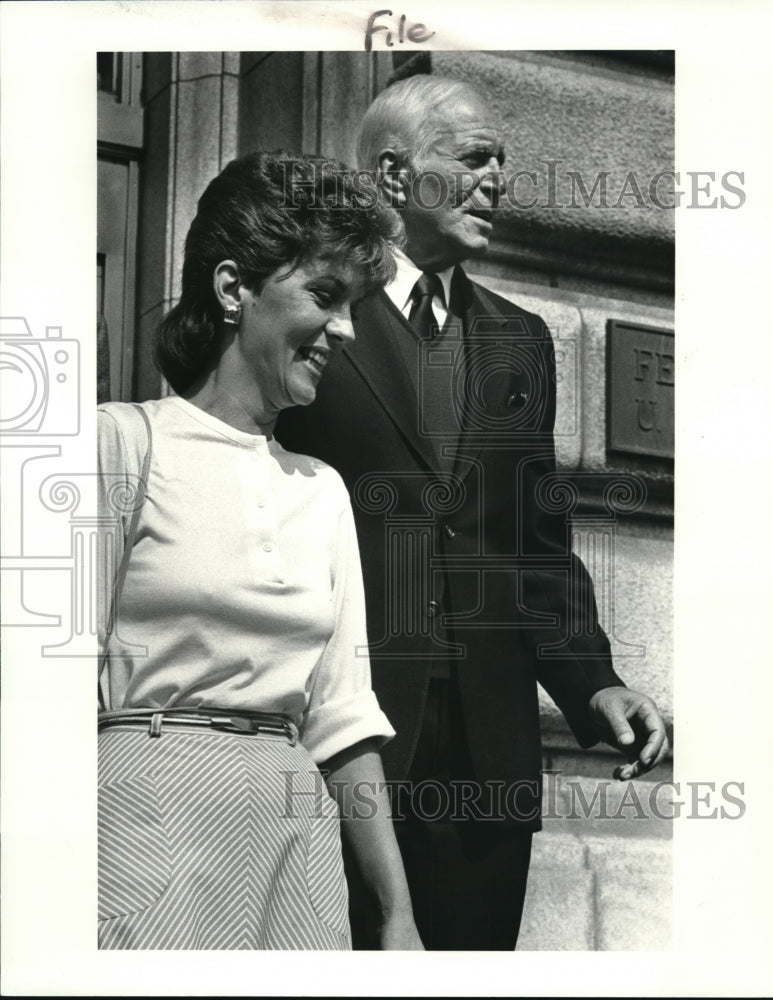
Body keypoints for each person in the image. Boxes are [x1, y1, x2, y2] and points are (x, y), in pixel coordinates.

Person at [274, 75, 669, 950]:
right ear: (391, 174)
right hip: (345, 740)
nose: (497, 181)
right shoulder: (310, 314)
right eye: (474, 157)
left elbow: (535, 541)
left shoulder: (519, 337)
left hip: (488, 757)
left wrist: (593, 680)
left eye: (503, 161)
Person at [97, 151, 423, 951]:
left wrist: (397, 915)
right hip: (144, 821)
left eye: (353, 304)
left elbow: (343, 720)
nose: (345, 329)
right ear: (233, 287)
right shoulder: (118, 444)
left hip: (296, 836)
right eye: (324, 295)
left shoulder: (322, 490)